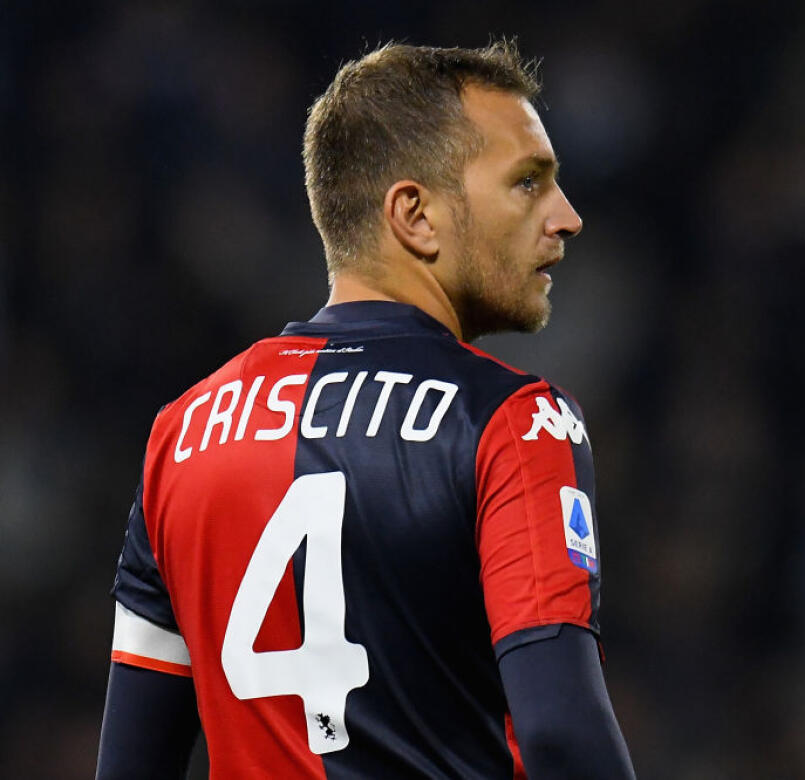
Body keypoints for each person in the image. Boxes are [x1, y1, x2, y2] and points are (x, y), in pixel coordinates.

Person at [96, 41, 636, 779]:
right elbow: (563, 737)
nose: (566, 217)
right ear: (415, 215)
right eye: (528, 183)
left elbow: (130, 764)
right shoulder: (514, 422)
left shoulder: (181, 435)